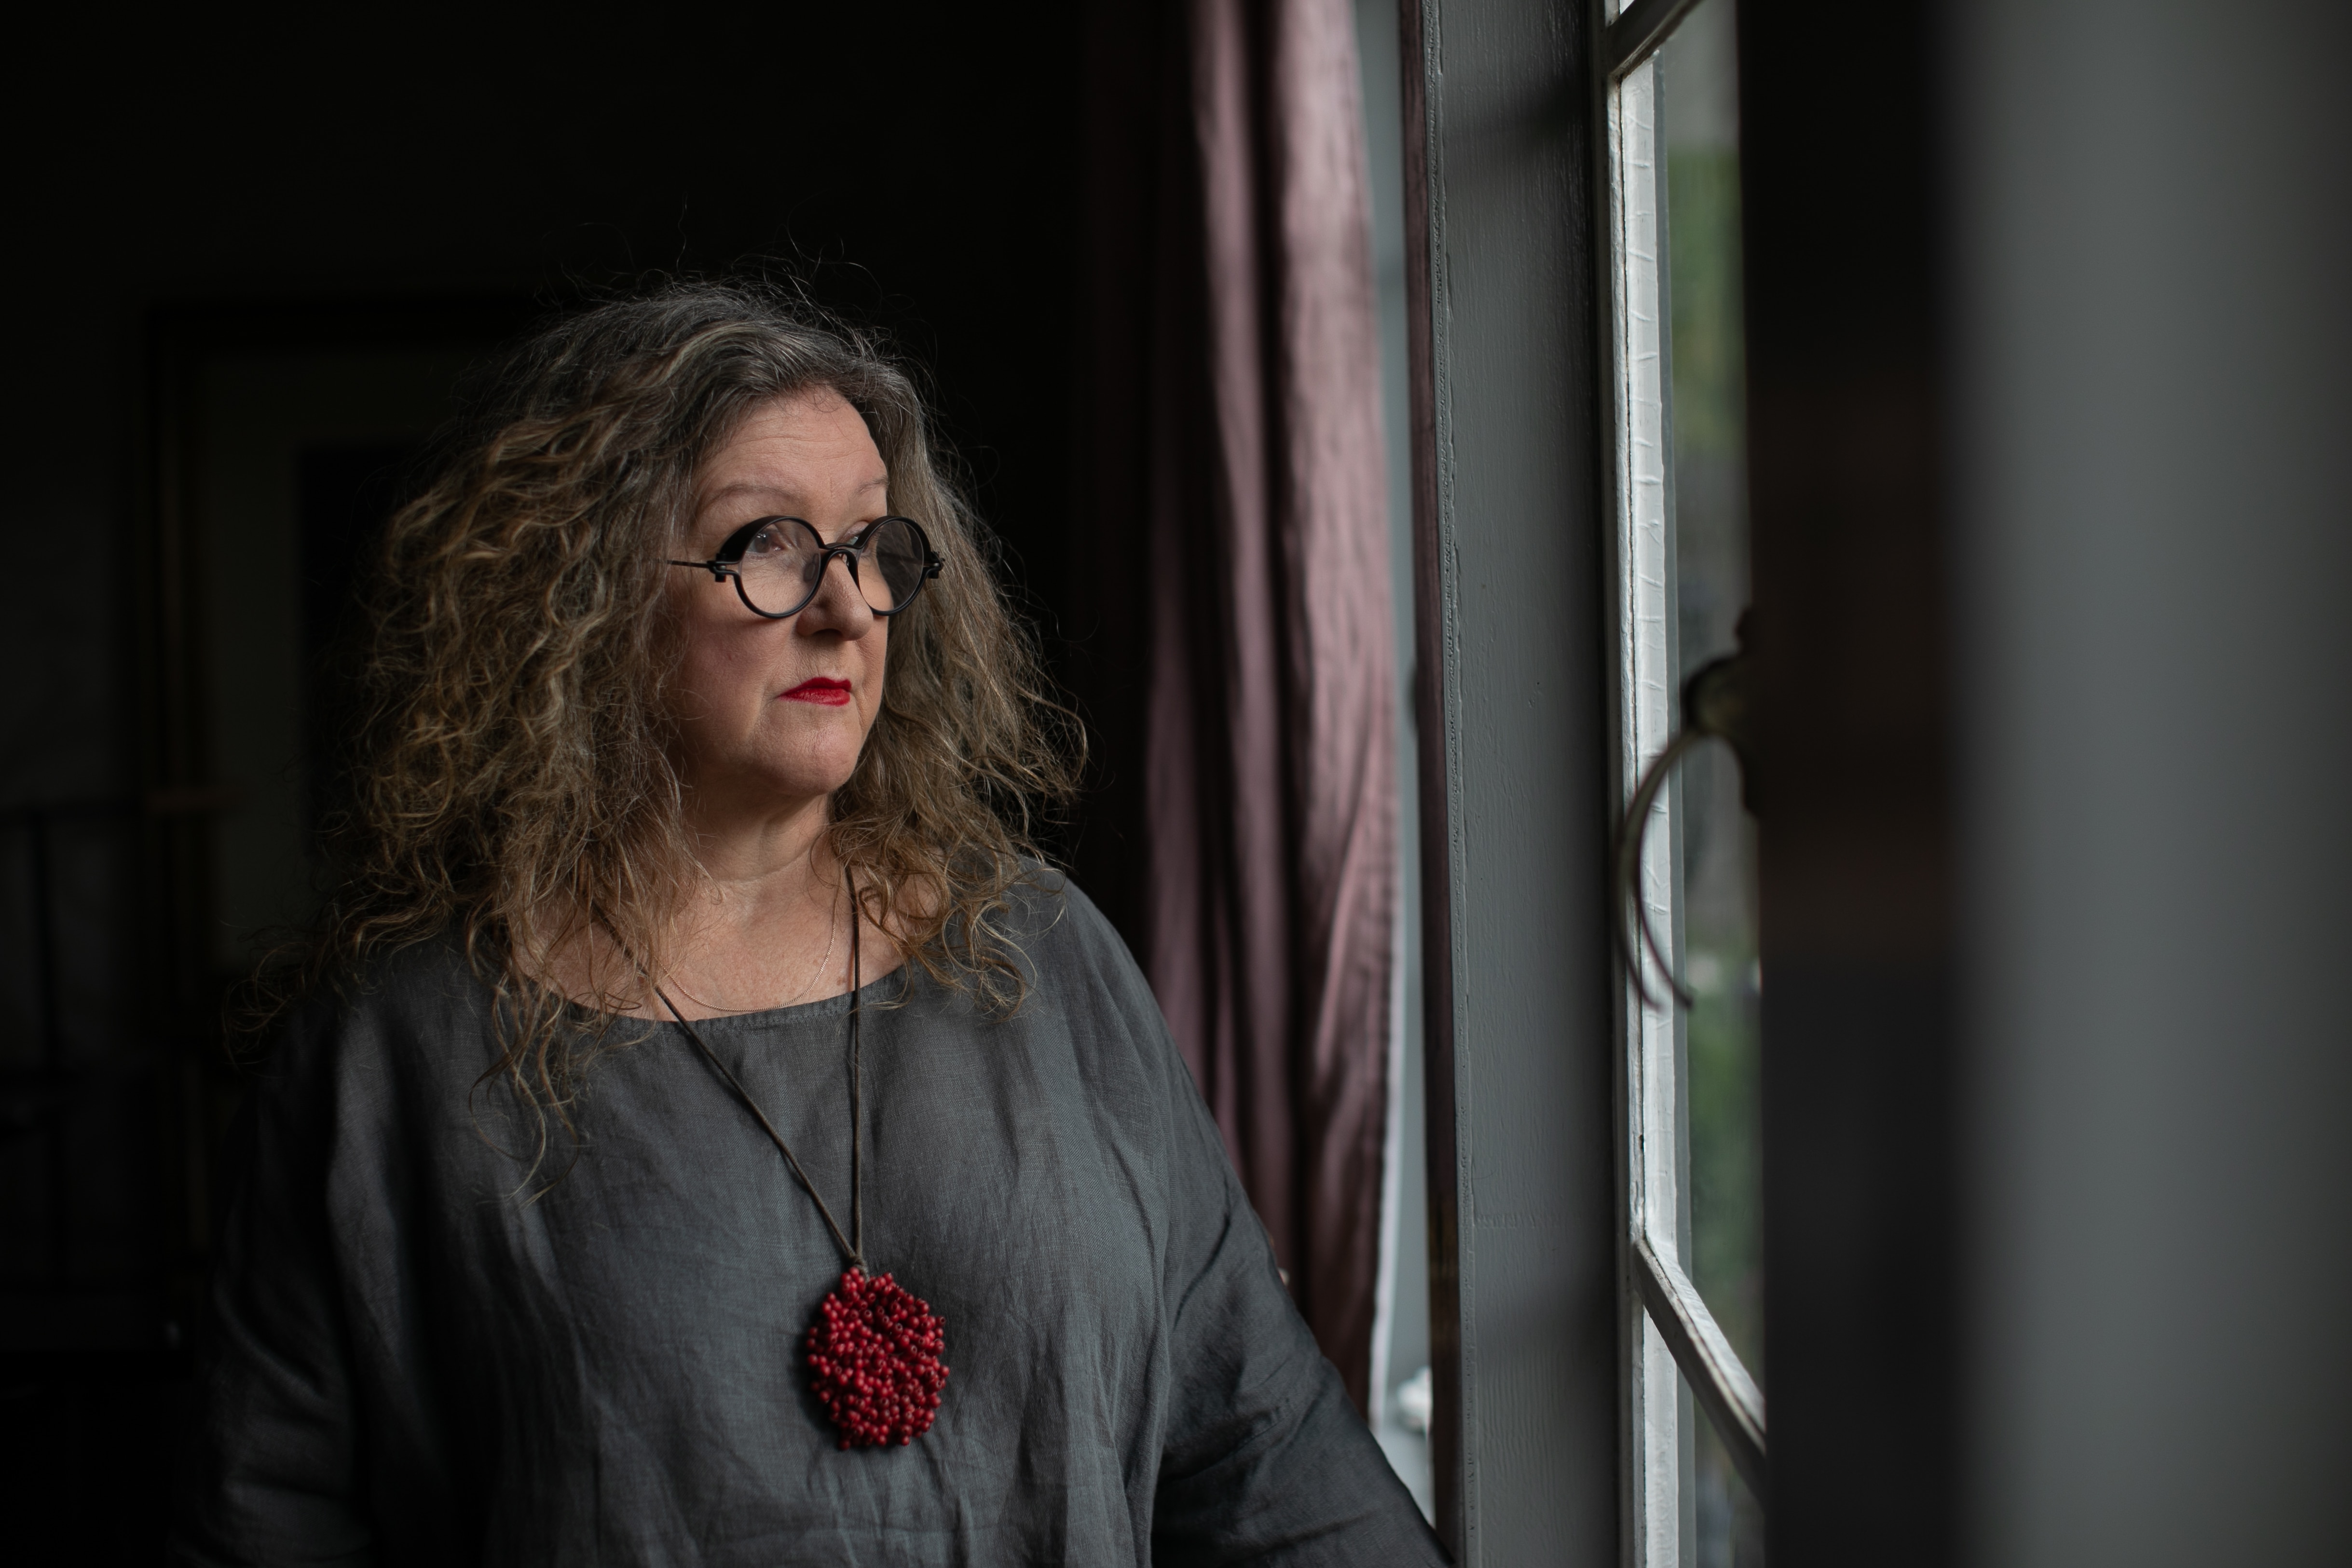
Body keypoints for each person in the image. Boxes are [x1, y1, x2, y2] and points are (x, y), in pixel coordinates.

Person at [171, 281, 1443, 1566]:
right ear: (580, 593)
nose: (846, 606)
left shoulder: (1041, 952)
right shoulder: (401, 1047)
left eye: (874, 548)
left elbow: (1262, 1445)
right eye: (768, 544)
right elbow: (266, 1520)